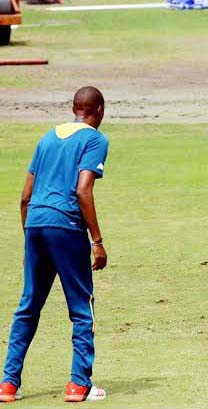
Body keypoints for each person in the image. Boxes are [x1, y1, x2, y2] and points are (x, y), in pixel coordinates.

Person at [0, 86, 109, 403]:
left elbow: (24, 197)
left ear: (75, 108)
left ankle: (8, 384)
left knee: (28, 306)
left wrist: (27, 243)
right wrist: (98, 241)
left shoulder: (46, 138)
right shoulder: (94, 139)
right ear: (99, 110)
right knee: (81, 307)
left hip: (35, 224)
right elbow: (82, 191)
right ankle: (79, 385)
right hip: (66, 227)